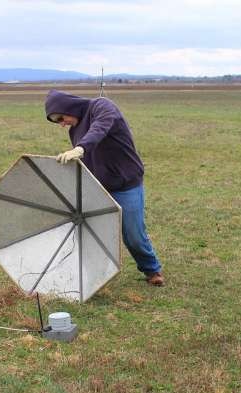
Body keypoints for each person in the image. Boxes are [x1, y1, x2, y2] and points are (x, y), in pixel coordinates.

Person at [44, 90, 164, 286]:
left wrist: (80, 148)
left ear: (69, 107)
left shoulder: (102, 107)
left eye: (61, 118)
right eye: (57, 122)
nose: (62, 123)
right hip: (98, 186)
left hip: (126, 184)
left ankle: (151, 269)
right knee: (90, 232)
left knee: (132, 234)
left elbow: (99, 129)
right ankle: (92, 276)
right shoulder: (74, 130)